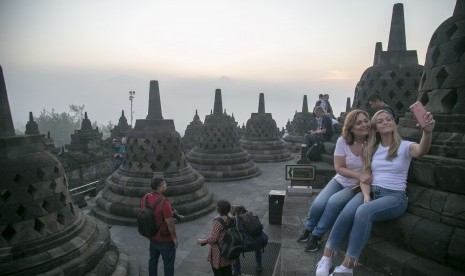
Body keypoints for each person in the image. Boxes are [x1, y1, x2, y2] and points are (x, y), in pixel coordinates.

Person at [315, 109, 435, 276]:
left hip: (394, 197)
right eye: (380, 121)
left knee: (363, 212)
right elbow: (365, 176)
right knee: (348, 211)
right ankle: (326, 257)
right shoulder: (372, 149)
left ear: (394, 123)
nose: (385, 122)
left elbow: (422, 150)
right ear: (376, 128)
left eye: (389, 119)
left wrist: (427, 132)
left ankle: (347, 266)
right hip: (371, 192)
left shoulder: (405, 146)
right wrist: (365, 195)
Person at [297, 110, 372, 252]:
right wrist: (359, 175)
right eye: (358, 123)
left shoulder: (372, 143)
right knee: (319, 202)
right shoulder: (343, 141)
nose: (364, 125)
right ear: (351, 127)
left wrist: (360, 179)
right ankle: (308, 228)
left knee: (333, 202)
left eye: (366, 121)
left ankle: (317, 236)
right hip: (340, 179)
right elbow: (339, 168)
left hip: (355, 186)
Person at [141, 177, 178, 276]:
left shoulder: (145, 198)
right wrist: (174, 238)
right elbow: (170, 222)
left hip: (152, 236)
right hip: (165, 238)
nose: (166, 186)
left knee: (152, 261)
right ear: (159, 187)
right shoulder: (164, 202)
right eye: (165, 184)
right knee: (168, 264)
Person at [197, 200, 235, 276]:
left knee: (218, 272)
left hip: (219, 252)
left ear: (219, 209)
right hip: (228, 250)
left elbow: (213, 239)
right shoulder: (231, 219)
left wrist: (202, 241)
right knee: (228, 271)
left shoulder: (218, 221)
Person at [231, 205, 263, 275]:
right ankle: (259, 266)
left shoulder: (238, 221)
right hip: (257, 242)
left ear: (236, 213)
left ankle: (237, 271)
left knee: (234, 251)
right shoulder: (251, 216)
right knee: (258, 247)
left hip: (246, 244)